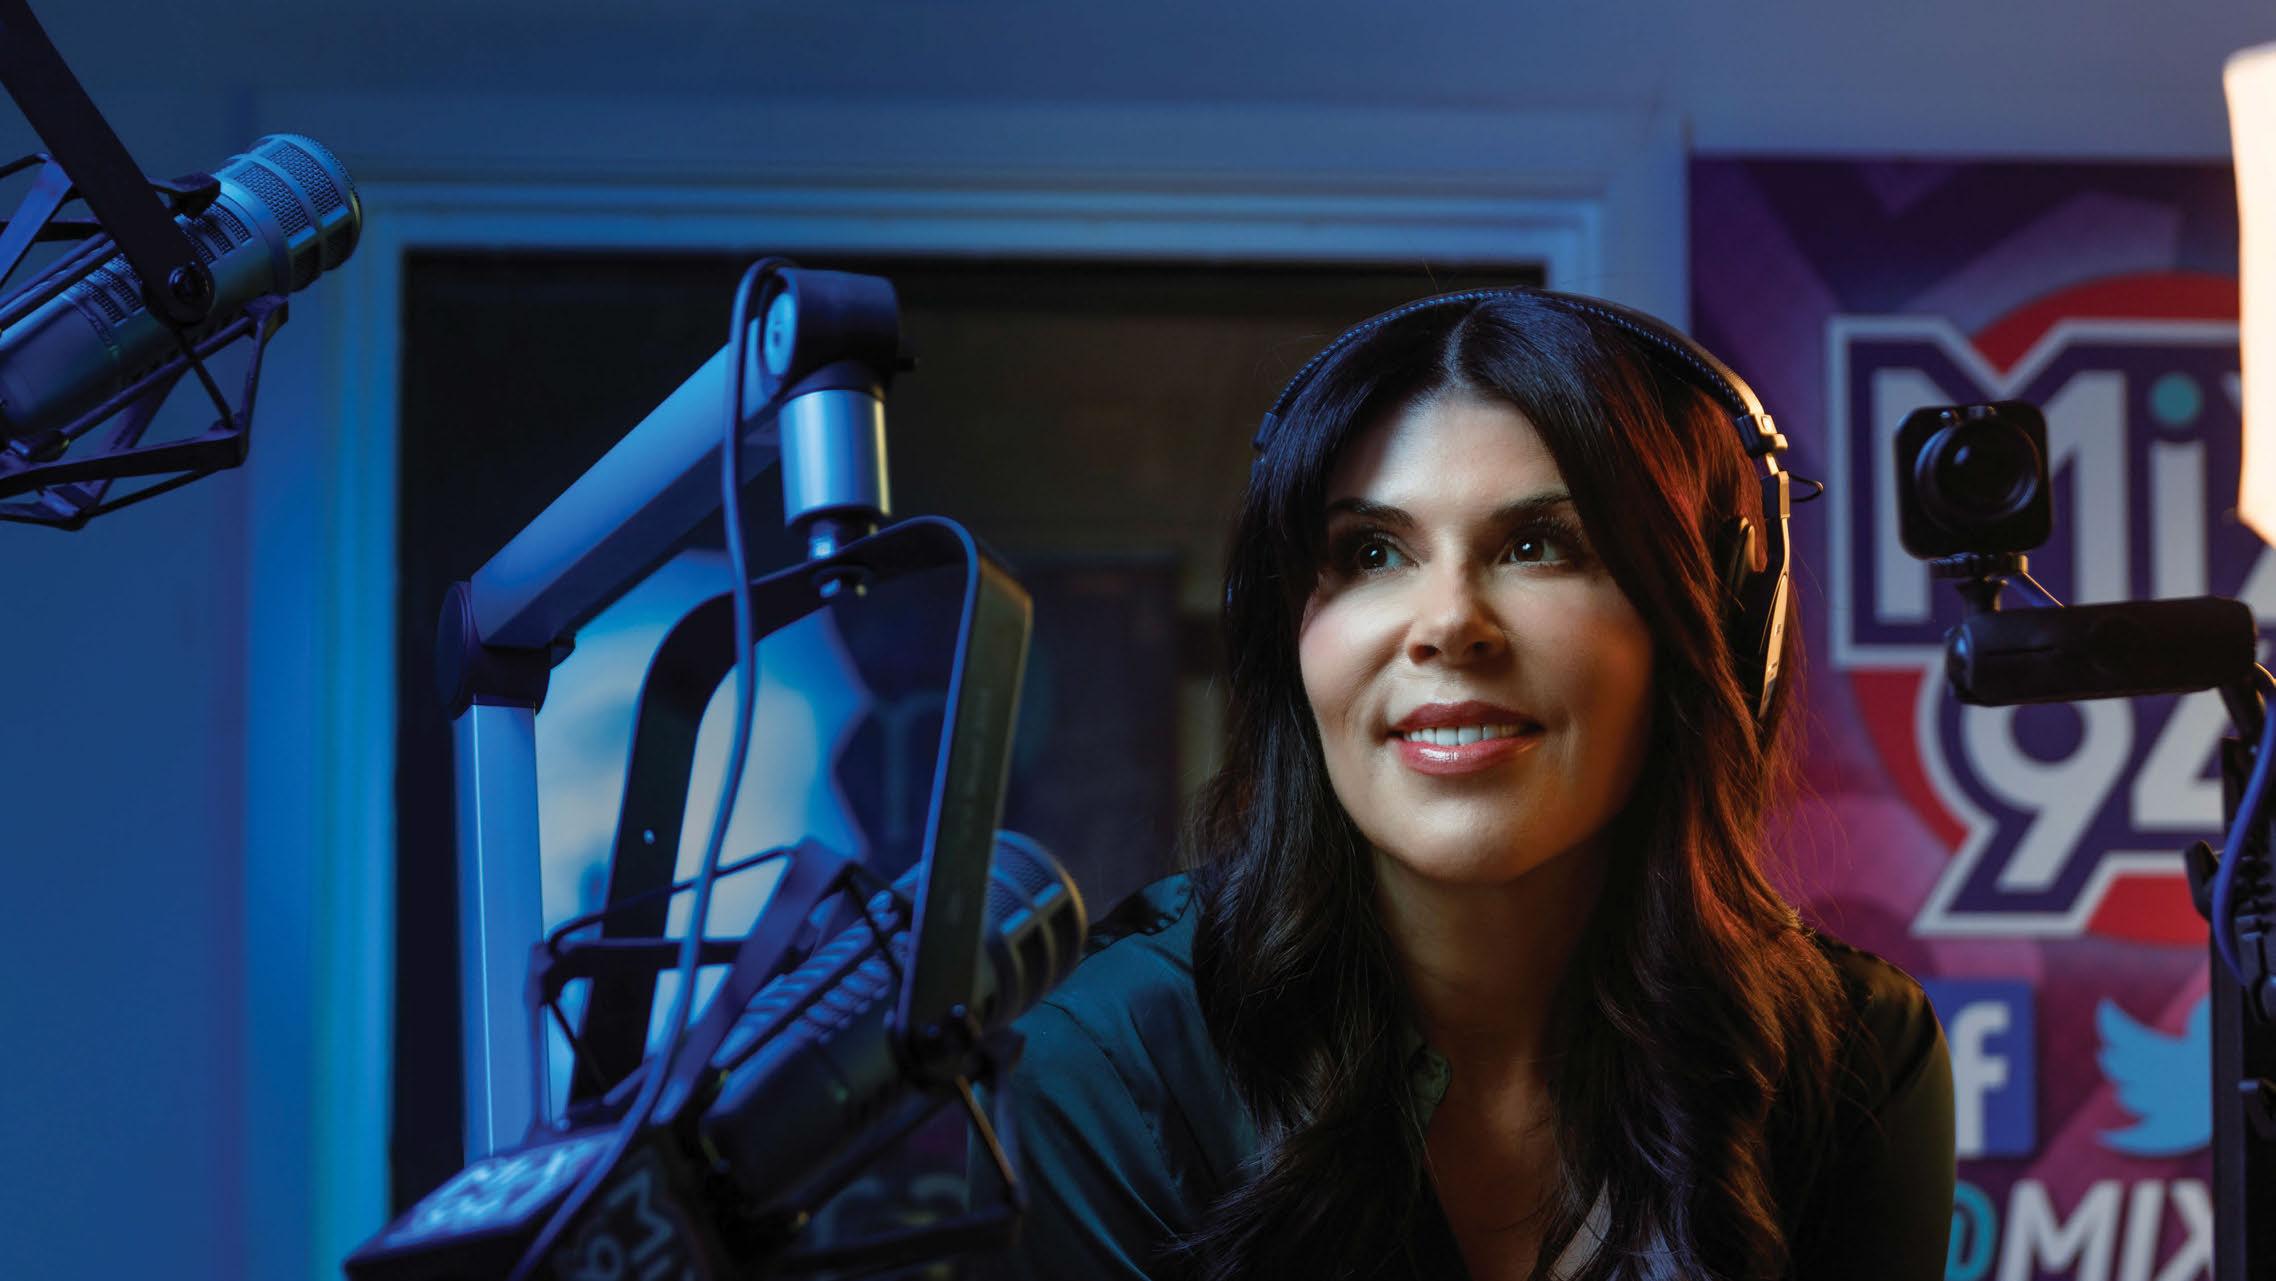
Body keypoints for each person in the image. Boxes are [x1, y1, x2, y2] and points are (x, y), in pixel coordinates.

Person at [968, 289, 1955, 1280]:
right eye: (1370, 553)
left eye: (1538, 545)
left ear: (1706, 624)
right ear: (1287, 640)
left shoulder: (1855, 1061)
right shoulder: (1106, 1070)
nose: (1447, 624)